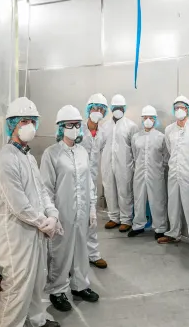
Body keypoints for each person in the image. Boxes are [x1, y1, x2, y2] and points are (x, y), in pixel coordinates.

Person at [0, 97, 61, 327]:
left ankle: (36, 320)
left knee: (36, 281)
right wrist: (44, 222)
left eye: (32, 120)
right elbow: (18, 204)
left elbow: (41, 192)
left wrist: (52, 214)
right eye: (24, 121)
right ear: (12, 125)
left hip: (34, 232)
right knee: (17, 287)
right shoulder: (5, 159)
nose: (29, 125)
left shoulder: (28, 157)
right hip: (17, 236)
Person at [40, 105, 100, 312]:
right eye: (69, 125)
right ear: (60, 128)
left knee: (82, 250)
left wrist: (92, 207)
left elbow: (89, 182)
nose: (74, 128)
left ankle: (80, 285)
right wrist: (51, 215)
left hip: (82, 212)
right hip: (62, 213)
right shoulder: (51, 154)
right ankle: (57, 290)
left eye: (76, 125)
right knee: (60, 252)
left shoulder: (83, 152)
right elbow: (45, 188)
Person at [158, 96, 189, 254]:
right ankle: (173, 233)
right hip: (173, 173)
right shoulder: (169, 130)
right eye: (177, 107)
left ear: (188, 110)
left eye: (183, 107)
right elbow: (170, 150)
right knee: (173, 205)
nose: (180, 110)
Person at [97, 94, 138, 233]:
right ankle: (114, 217)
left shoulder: (131, 126)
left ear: (124, 108)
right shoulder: (104, 126)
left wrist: (134, 165)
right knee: (109, 190)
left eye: (120, 107)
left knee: (124, 191)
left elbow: (134, 148)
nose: (117, 110)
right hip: (107, 163)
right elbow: (100, 145)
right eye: (115, 107)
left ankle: (126, 219)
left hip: (125, 165)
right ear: (111, 108)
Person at [128, 105, 168, 239]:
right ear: (142, 119)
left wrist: (158, 168)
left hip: (156, 173)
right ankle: (138, 225)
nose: (148, 120)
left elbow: (166, 156)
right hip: (139, 173)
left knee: (157, 200)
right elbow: (134, 155)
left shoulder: (161, 137)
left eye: (151, 118)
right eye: (146, 117)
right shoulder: (135, 137)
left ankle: (160, 228)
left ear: (155, 119)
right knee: (139, 199)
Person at [80, 93, 108, 269]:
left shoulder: (103, 133)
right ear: (88, 110)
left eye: (101, 109)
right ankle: (73, 256)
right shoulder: (78, 129)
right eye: (94, 108)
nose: (97, 112)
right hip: (74, 181)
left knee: (92, 218)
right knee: (72, 219)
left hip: (92, 181)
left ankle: (93, 254)